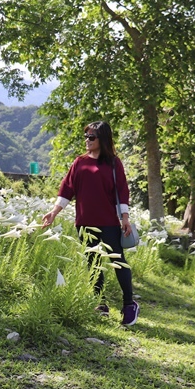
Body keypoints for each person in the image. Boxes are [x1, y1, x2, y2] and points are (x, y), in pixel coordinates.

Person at [41, 121, 140, 326]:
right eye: (86, 136)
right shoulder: (79, 162)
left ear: (103, 139)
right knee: (93, 262)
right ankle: (100, 303)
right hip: (84, 222)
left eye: (91, 137)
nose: (87, 140)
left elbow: (122, 191)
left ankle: (129, 304)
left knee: (118, 261)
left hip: (110, 223)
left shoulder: (113, 163)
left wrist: (125, 218)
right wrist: (53, 213)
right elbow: (67, 189)